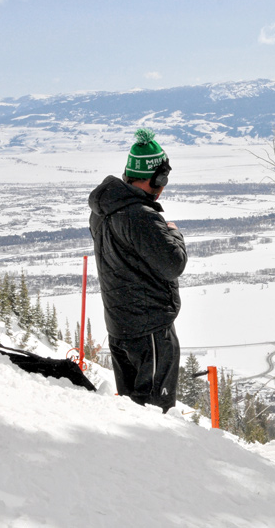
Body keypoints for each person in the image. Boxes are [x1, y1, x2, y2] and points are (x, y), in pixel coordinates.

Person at [88, 129, 187, 413]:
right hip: (150, 331)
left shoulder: (103, 211)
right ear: (156, 179)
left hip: (119, 326)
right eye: (163, 179)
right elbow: (173, 264)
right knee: (157, 411)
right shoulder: (140, 217)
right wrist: (174, 234)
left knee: (132, 411)